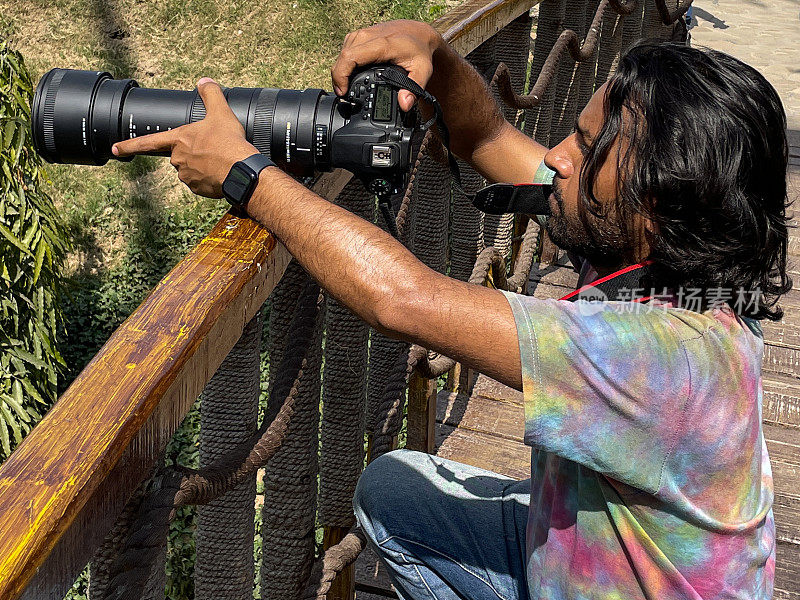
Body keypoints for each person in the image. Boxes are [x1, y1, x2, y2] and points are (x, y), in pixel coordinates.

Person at [111, 19, 791, 600]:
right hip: (585, 559)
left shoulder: (664, 358)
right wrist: (435, 56)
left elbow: (403, 298)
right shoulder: (667, 252)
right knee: (393, 491)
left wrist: (245, 173)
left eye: (584, 149)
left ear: (655, 200)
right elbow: (488, 137)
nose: (555, 155)